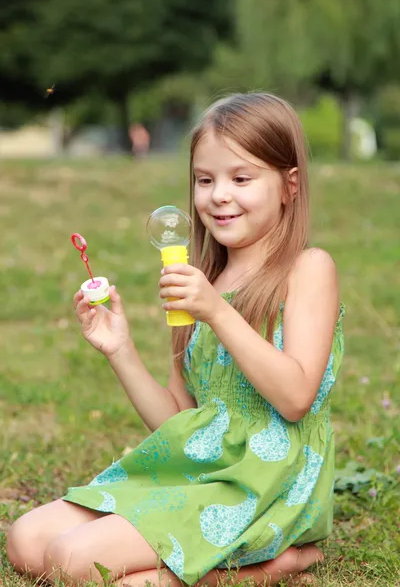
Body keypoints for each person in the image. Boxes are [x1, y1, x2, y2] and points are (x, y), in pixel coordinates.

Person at [6, 93, 345, 587]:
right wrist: (119, 349)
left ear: (289, 185)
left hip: (263, 482)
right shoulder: (201, 280)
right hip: (200, 468)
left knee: (75, 563)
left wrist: (216, 310)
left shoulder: (307, 268)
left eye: (241, 178)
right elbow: (178, 420)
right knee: (27, 542)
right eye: (205, 180)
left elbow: (295, 398)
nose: (219, 195)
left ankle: (279, 564)